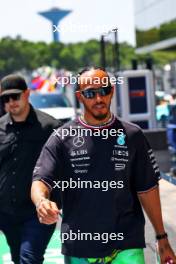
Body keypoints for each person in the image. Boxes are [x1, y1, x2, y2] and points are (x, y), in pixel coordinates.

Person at [31, 67, 176, 264]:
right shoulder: (61, 138)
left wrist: (162, 238)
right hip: (80, 248)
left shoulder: (132, 135)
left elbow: (147, 188)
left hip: (126, 245)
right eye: (90, 93)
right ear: (80, 97)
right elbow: (40, 179)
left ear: (112, 91)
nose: (99, 98)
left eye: (104, 91)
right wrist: (42, 202)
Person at [0, 74, 61, 264]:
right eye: (5, 99)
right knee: (19, 258)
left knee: (29, 259)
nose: (11, 102)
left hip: (38, 212)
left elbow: (64, 169)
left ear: (27, 94)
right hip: (6, 213)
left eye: (15, 96)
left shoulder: (50, 127)